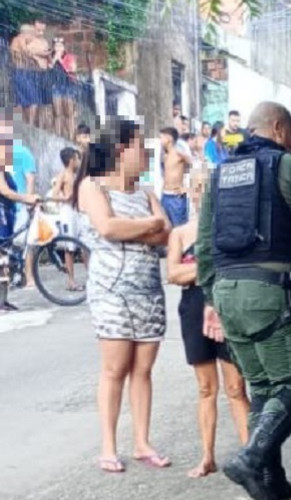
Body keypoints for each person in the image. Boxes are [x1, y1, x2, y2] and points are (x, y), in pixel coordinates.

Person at [197, 102, 291, 499]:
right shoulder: (288, 166)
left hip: (227, 295)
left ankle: (271, 485)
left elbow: (204, 243)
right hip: (267, 293)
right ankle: (250, 458)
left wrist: (213, 297)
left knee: (264, 389)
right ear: (279, 128)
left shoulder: (220, 173)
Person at [73, 117, 172, 473]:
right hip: (111, 292)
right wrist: (149, 225)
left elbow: (168, 234)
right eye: (139, 146)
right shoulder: (92, 187)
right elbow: (108, 227)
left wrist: (141, 229)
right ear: (120, 149)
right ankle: (109, 447)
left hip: (149, 290)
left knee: (143, 370)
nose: (146, 153)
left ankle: (143, 442)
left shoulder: (146, 192)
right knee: (115, 368)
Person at [166, 167, 250, 478]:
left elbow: (234, 268)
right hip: (192, 309)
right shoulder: (180, 233)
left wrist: (197, 270)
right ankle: (207, 457)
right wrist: (209, 268)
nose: (201, 193)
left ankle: (252, 456)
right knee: (205, 388)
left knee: (236, 388)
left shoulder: (228, 229)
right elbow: (173, 274)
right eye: (197, 187)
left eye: (207, 187)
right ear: (189, 192)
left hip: (227, 307)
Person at [0, 129, 40, 311]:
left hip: (8, 212)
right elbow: (5, 191)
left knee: (5, 256)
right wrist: (27, 198)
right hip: (3, 214)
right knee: (2, 256)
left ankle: (3, 300)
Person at [50, 146, 83, 291]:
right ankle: (71, 281)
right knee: (69, 248)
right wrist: (66, 198)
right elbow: (54, 195)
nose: (78, 162)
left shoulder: (77, 175)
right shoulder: (62, 175)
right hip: (67, 212)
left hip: (77, 211)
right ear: (71, 160)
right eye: (76, 159)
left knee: (82, 246)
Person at [11, 137, 37, 288]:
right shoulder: (24, 152)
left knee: (13, 243)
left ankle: (21, 277)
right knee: (26, 243)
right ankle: (29, 278)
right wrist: (29, 201)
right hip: (19, 204)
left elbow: (30, 180)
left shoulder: (21, 152)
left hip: (14, 205)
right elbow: (30, 180)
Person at [159, 126, 190, 227]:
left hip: (176, 197)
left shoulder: (179, 153)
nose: (160, 140)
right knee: (165, 227)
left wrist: (188, 188)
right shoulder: (164, 156)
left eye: (161, 137)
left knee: (179, 228)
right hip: (165, 196)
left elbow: (198, 166)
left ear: (169, 138)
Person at [50, 37, 77, 140]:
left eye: (60, 46)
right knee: (57, 113)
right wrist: (54, 60)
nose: (58, 48)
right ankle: (58, 136)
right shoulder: (51, 57)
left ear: (64, 47)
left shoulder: (69, 57)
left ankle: (71, 137)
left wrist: (60, 60)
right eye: (56, 46)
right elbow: (48, 68)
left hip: (68, 85)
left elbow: (72, 69)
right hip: (56, 86)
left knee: (69, 113)